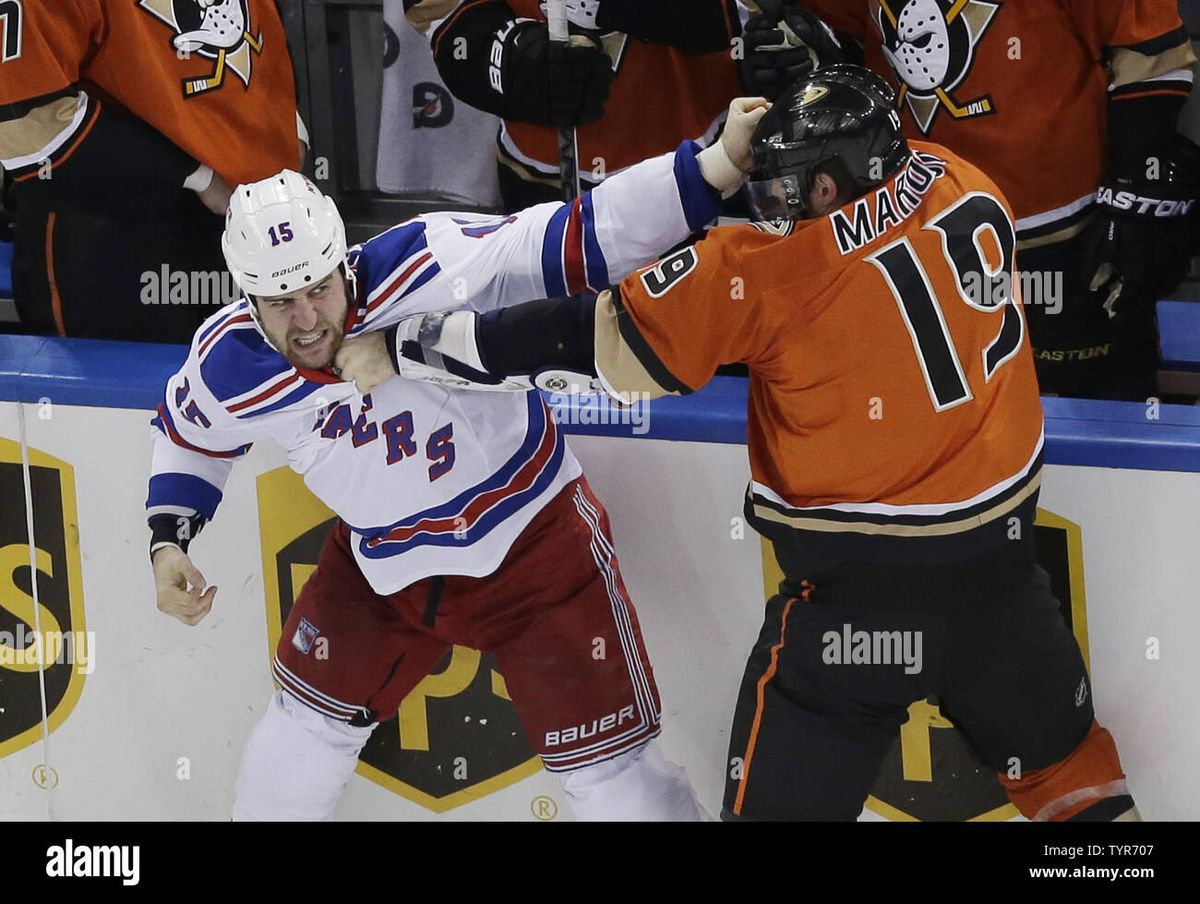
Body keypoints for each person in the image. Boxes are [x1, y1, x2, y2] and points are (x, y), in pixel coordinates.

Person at [390, 66, 1141, 821]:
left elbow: (591, 341)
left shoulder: (770, 270)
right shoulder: (968, 180)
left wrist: (416, 346)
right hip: (1001, 579)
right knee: (1075, 787)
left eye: (790, 184)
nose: (771, 201)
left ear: (831, 184)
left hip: (859, 611)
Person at [146, 99, 767, 820]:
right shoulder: (230, 360)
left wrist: (716, 164)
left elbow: (582, 233)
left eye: (319, 288)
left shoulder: (431, 262)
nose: (308, 318)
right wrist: (169, 542)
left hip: (534, 551)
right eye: (281, 301)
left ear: (342, 260)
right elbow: (192, 436)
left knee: (613, 778)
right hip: (380, 570)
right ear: (246, 298)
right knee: (301, 732)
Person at [755, 0, 1199, 400]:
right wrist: (810, 45)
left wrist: (1134, 190)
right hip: (909, 236)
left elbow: (1151, 53)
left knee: (1091, 426)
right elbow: (825, 25)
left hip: (1063, 243)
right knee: (923, 408)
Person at [0, 0, 304, 341]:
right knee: (140, 388)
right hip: (118, 245)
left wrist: (288, 134)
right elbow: (26, 127)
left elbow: (260, 30)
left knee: (255, 383)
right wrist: (197, 177)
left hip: (256, 218)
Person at [409, 0, 745, 210]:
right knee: (554, 317)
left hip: (710, 163)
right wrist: (508, 58)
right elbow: (439, 12)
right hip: (543, 180)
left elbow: (765, 14)